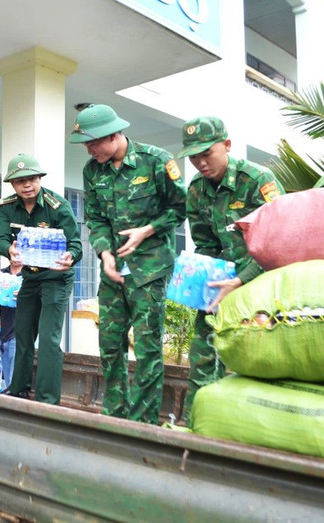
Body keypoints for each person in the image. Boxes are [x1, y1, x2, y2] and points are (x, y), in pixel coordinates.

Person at [70, 104, 187, 424]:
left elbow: (179, 209)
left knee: (148, 350)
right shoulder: (92, 171)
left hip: (150, 269)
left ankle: (142, 422)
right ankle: (116, 415)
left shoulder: (156, 161)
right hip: (113, 269)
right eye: (86, 145)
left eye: (94, 143)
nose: (89, 150)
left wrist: (146, 231)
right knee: (110, 345)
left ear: (114, 135)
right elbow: (95, 219)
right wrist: (105, 254)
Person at [177, 116, 284, 422]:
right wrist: (200, 281)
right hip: (222, 284)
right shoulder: (196, 189)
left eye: (206, 153)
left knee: (258, 356)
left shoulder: (257, 180)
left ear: (226, 145)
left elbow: (279, 240)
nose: (200, 162)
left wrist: (241, 280)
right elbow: (206, 243)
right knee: (203, 354)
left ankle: (252, 428)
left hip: (261, 280)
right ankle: (196, 425)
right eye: (194, 156)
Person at [0, 153, 82, 405]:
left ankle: (47, 399)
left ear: (40, 179)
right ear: (12, 184)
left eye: (32, 178)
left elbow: (76, 245)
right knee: (22, 334)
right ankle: (18, 387)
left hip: (56, 278)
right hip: (29, 278)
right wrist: (9, 250)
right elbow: (0, 239)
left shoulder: (58, 206)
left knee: (48, 338)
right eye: (20, 181)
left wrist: (70, 256)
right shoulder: (6, 207)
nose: (27, 185)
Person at [0, 259, 23, 390]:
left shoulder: (29, 276)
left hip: (18, 335)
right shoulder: (1, 275)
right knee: (7, 383)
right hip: (3, 335)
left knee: (13, 384)